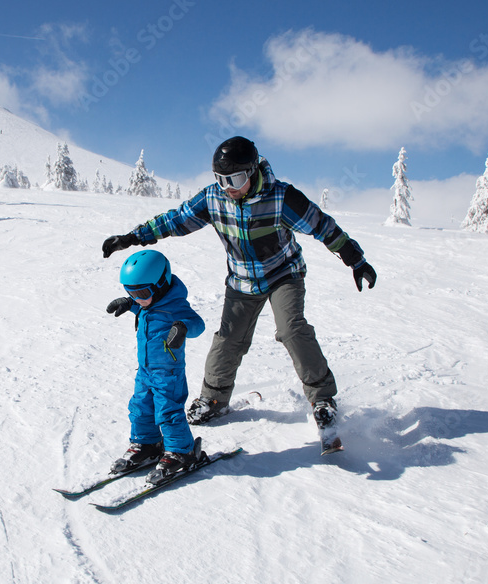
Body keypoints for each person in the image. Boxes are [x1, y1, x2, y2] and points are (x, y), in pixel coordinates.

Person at [102, 136, 376, 438]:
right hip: (242, 281)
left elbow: (322, 225)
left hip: (284, 275)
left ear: (253, 170)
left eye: (235, 178)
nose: (227, 186)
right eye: (220, 179)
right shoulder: (214, 199)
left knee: (291, 329)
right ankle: (215, 398)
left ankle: (322, 397)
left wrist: (355, 259)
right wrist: (131, 237)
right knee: (228, 338)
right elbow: (176, 220)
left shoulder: (281, 198)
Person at [106, 249, 207, 485]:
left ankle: (182, 452)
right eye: (129, 291)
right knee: (140, 408)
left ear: (161, 284)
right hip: (145, 371)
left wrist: (182, 327)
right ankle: (147, 444)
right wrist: (130, 303)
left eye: (140, 292)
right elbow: (144, 306)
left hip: (168, 375)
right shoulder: (147, 302)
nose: (136, 298)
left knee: (168, 413)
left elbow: (198, 324)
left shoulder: (175, 307)